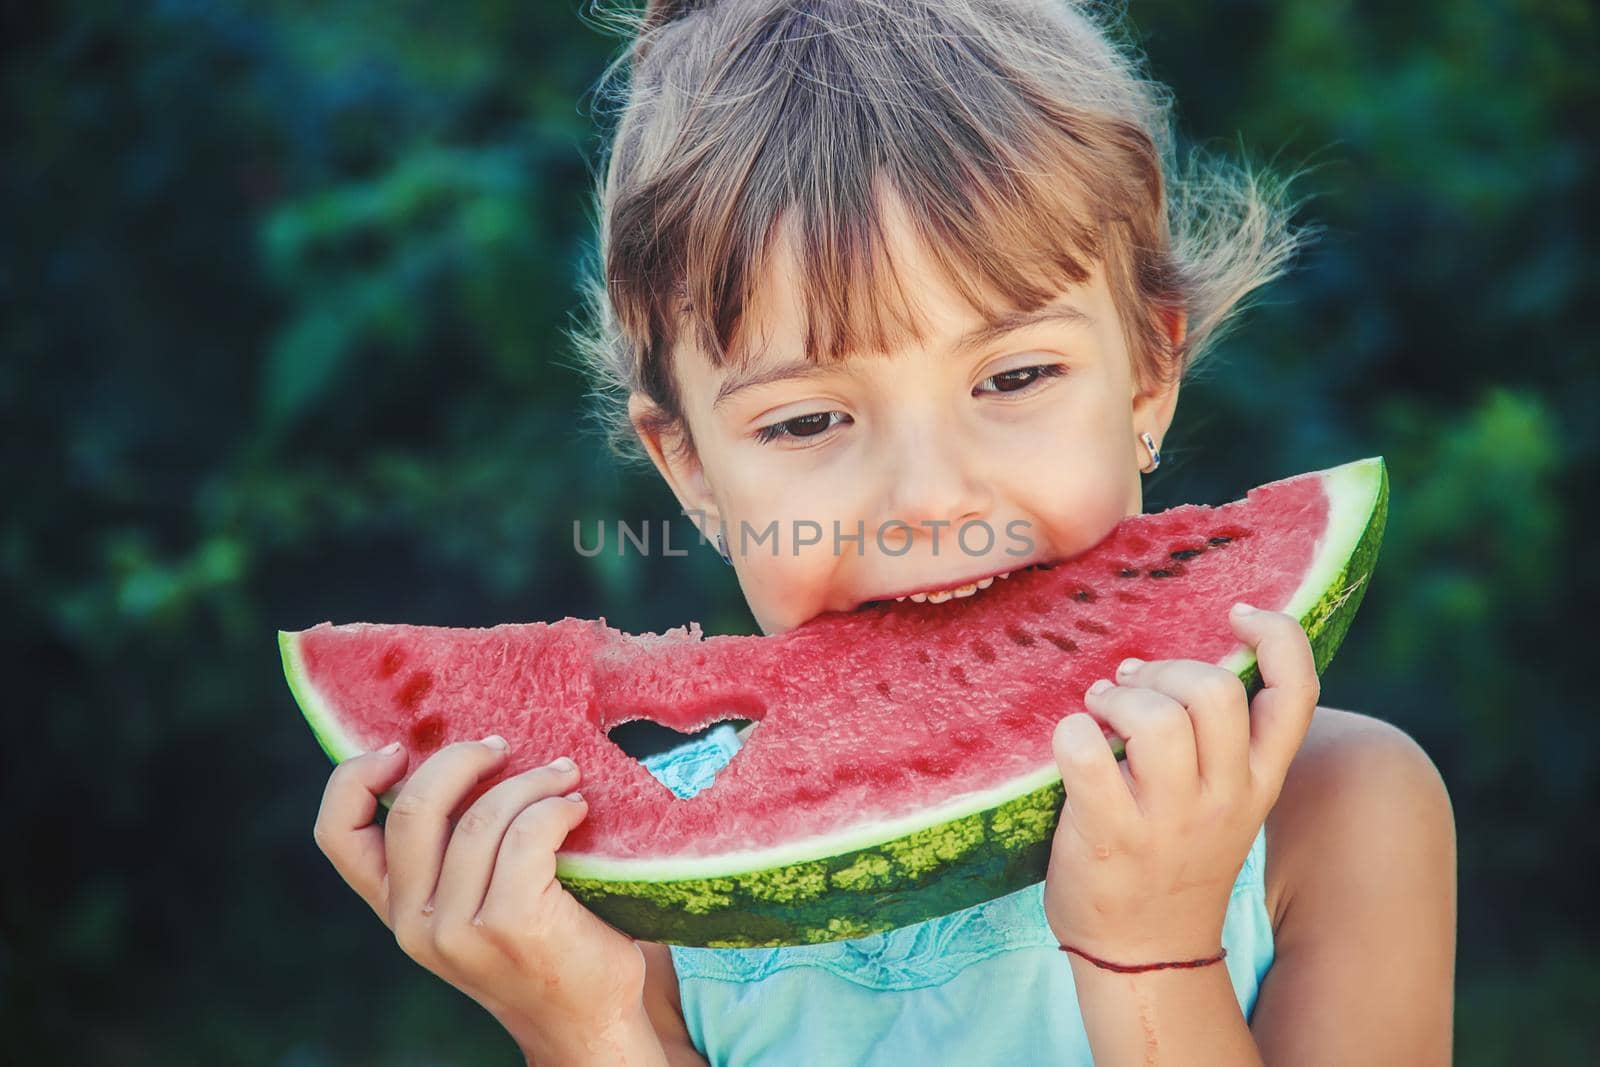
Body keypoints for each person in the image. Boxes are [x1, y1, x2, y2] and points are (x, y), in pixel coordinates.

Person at [312, 1, 1457, 1063]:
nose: (929, 497)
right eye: (808, 417)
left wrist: (1154, 946)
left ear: (1149, 374)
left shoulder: (1337, 812)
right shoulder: (640, 881)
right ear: (693, 469)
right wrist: (587, 1023)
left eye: (1014, 374)